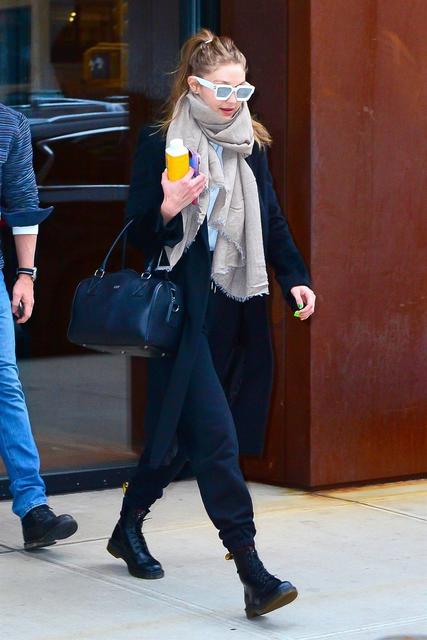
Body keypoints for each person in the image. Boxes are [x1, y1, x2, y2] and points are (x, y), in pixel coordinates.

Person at [107, 30, 316, 618]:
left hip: (235, 307)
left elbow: (269, 217)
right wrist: (169, 207)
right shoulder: (162, 142)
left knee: (180, 435)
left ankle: (128, 524)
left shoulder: (252, 142)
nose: (233, 100)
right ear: (195, 86)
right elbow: (136, 233)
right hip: (182, 311)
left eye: (242, 89)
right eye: (223, 89)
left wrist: (294, 275)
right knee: (216, 439)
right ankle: (253, 572)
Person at [0, 103, 78, 549]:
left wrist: (25, 275)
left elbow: (23, 203)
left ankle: (33, 509)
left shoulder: (9, 123)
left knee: (5, 383)